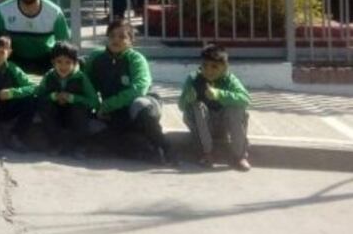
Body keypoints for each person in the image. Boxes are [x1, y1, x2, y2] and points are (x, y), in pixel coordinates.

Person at [84, 18, 176, 164]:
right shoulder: (96, 58)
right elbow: (87, 86)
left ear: (131, 41)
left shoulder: (136, 59)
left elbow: (139, 88)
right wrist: (97, 106)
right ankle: (144, 152)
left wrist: (107, 105)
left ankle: (166, 148)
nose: (116, 40)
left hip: (141, 108)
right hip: (113, 113)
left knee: (140, 104)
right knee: (92, 128)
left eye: (122, 37)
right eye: (112, 36)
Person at [178, 44, 251, 171]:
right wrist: (188, 99)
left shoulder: (230, 80)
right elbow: (181, 106)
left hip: (224, 124)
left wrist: (219, 94)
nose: (209, 70)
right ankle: (206, 153)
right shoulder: (193, 78)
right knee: (197, 106)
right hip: (203, 126)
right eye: (205, 66)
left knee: (236, 108)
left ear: (224, 68)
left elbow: (245, 99)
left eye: (214, 67)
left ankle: (239, 156)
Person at [35, 41, 98, 158]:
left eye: (68, 62)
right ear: (53, 62)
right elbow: (39, 96)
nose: (63, 66)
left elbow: (94, 102)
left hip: (75, 116)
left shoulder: (81, 78)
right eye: (59, 62)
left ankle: (80, 146)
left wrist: (72, 98)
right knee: (45, 107)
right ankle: (55, 144)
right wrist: (53, 97)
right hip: (57, 114)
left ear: (74, 63)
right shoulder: (49, 76)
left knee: (80, 109)